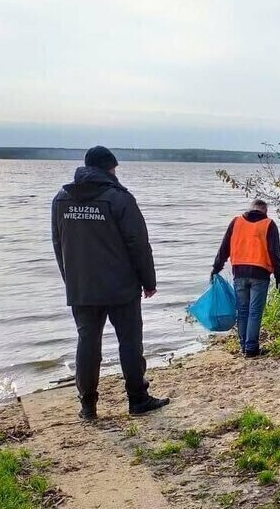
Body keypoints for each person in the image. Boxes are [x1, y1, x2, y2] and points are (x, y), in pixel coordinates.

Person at [51, 146, 169, 420]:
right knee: (129, 342)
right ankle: (137, 399)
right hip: (121, 287)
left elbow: (59, 244)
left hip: (82, 287)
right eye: (114, 168)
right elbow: (138, 243)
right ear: (109, 168)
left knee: (87, 343)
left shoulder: (61, 199)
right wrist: (148, 281)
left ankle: (88, 406)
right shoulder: (119, 198)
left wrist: (70, 279)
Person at [212, 199, 280, 357]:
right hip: (260, 273)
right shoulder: (268, 224)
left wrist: (216, 268)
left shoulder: (236, 222)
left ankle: (244, 346)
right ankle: (251, 348)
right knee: (254, 312)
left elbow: (224, 248)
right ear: (265, 211)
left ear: (251, 209)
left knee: (243, 311)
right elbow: (275, 253)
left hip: (239, 272)